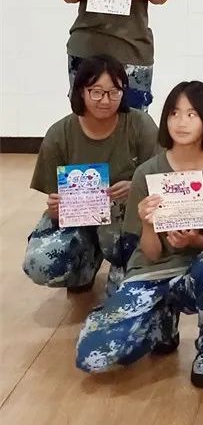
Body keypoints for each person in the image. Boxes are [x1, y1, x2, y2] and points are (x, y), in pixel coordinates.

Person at [76, 81, 203, 388]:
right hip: (151, 272)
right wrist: (148, 223)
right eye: (174, 113)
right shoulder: (147, 172)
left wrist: (196, 241)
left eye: (192, 114)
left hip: (195, 273)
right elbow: (150, 254)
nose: (181, 122)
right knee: (92, 356)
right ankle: (159, 320)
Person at [23, 55, 158, 295]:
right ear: (80, 91)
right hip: (80, 222)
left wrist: (135, 186)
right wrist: (55, 210)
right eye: (96, 92)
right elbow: (55, 201)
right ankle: (84, 267)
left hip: (127, 225)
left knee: (125, 291)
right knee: (41, 263)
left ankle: (124, 265)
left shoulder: (141, 125)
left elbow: (162, 181)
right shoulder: (59, 134)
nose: (105, 100)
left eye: (114, 92)